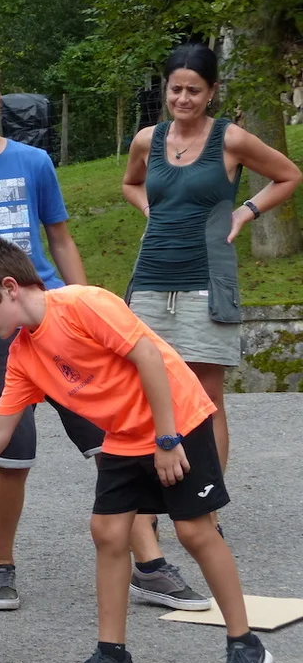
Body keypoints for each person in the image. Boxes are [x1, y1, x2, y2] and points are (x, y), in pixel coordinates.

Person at [0, 52, 203, 613]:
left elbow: (61, 240)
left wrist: (88, 306)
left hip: (56, 317)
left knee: (112, 439)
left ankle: (149, 564)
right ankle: (2, 562)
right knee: (12, 449)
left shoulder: (34, 163)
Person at [0, 238, 272, 663]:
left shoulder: (84, 304)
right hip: (123, 433)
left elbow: (149, 356)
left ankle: (245, 646)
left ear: (10, 287)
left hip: (177, 418)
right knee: (107, 531)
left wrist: (167, 439)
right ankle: (113, 658)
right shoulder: (23, 355)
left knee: (195, 532)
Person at [123, 42, 303, 479]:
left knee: (205, 400)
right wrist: (150, 210)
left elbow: (289, 175)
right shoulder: (147, 139)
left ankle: (207, 501)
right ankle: (148, 502)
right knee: (147, 396)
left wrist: (245, 212)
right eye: (176, 89)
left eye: (194, 90)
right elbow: (131, 184)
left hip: (206, 283)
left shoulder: (231, 138)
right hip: (149, 283)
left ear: (212, 91)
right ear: (166, 89)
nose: (183, 99)